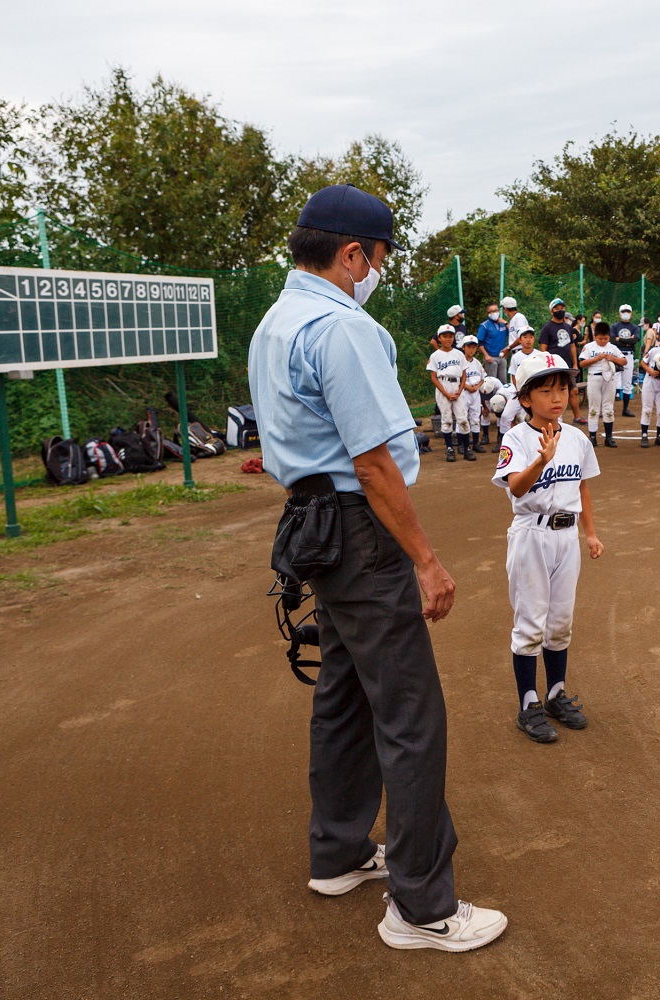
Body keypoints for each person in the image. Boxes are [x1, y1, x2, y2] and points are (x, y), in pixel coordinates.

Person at [247, 183, 506, 953]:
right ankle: (421, 907)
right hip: (359, 529)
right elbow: (373, 463)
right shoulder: (340, 326)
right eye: (379, 259)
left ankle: (338, 852)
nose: (378, 273)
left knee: (344, 692)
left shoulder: (275, 322)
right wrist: (426, 559)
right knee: (410, 712)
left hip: (312, 525)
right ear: (353, 254)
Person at [492, 353, 604, 744]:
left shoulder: (576, 438)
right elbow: (516, 487)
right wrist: (541, 460)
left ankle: (555, 694)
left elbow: (582, 488)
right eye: (545, 390)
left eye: (562, 389)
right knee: (530, 624)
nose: (557, 397)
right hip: (531, 537)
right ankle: (528, 704)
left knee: (560, 622)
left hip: (566, 538)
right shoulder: (516, 439)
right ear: (525, 399)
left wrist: (590, 534)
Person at [579, 321, 626, 448]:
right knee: (594, 408)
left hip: (609, 379)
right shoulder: (589, 347)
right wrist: (597, 358)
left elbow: (624, 361)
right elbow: (582, 363)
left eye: (606, 338)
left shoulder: (612, 347)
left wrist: (613, 359)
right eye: (600, 338)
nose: (603, 341)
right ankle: (592, 436)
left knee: (608, 407)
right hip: (594, 377)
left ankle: (609, 437)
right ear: (595, 336)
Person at [537, 297, 583, 425]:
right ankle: (555, 418)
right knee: (555, 391)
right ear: (551, 311)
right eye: (557, 308)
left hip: (567, 366)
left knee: (573, 390)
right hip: (553, 366)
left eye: (562, 308)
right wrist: (545, 364)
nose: (560, 310)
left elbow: (572, 346)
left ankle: (577, 417)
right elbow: (543, 348)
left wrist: (575, 364)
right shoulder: (547, 328)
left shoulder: (567, 327)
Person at [428, 325, 470, 463]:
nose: (448, 339)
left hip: (457, 386)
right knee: (446, 419)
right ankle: (450, 448)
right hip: (443, 385)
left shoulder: (459, 354)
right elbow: (433, 378)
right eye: (444, 336)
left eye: (450, 336)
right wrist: (446, 393)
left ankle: (466, 448)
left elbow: (464, 374)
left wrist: (460, 390)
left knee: (462, 418)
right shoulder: (435, 356)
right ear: (439, 338)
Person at [640, 329, 660, 448]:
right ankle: (644, 435)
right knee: (647, 409)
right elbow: (643, 363)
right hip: (650, 381)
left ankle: (659, 436)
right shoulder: (654, 351)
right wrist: (650, 371)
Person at [459, 334, 489, 454]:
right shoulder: (459, 362)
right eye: (469, 347)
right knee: (462, 418)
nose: (471, 349)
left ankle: (475, 443)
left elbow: (482, 378)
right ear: (463, 347)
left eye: (474, 347)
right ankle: (461, 444)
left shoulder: (477, 363)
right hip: (463, 393)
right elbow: (457, 379)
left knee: (476, 418)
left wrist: (477, 386)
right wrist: (467, 386)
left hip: (475, 393)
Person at [610, 304, 641, 416]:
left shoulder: (634, 327)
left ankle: (625, 408)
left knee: (627, 383)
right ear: (620, 313)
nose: (626, 314)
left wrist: (620, 339)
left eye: (628, 311)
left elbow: (634, 340)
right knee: (612, 381)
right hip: (616, 355)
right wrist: (627, 340)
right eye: (623, 311)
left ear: (631, 314)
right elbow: (612, 340)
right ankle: (609, 409)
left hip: (628, 355)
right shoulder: (614, 326)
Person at [477, 303, 510, 384]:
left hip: (502, 357)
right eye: (492, 311)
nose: (495, 313)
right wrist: (486, 355)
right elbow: (479, 342)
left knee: (503, 382)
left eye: (496, 310)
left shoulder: (502, 324)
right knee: (492, 383)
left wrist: (506, 323)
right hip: (491, 358)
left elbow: (513, 333)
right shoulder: (484, 325)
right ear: (488, 313)